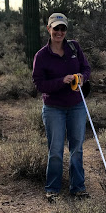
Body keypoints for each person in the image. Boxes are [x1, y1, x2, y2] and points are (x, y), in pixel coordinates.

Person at [32, 13, 91, 202]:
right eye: (55, 28)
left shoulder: (74, 47)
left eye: (62, 29)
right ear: (49, 29)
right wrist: (61, 81)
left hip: (76, 105)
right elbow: (39, 84)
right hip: (53, 108)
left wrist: (82, 77)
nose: (59, 32)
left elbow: (86, 68)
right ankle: (52, 189)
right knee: (56, 150)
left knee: (77, 148)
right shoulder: (41, 56)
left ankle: (78, 188)